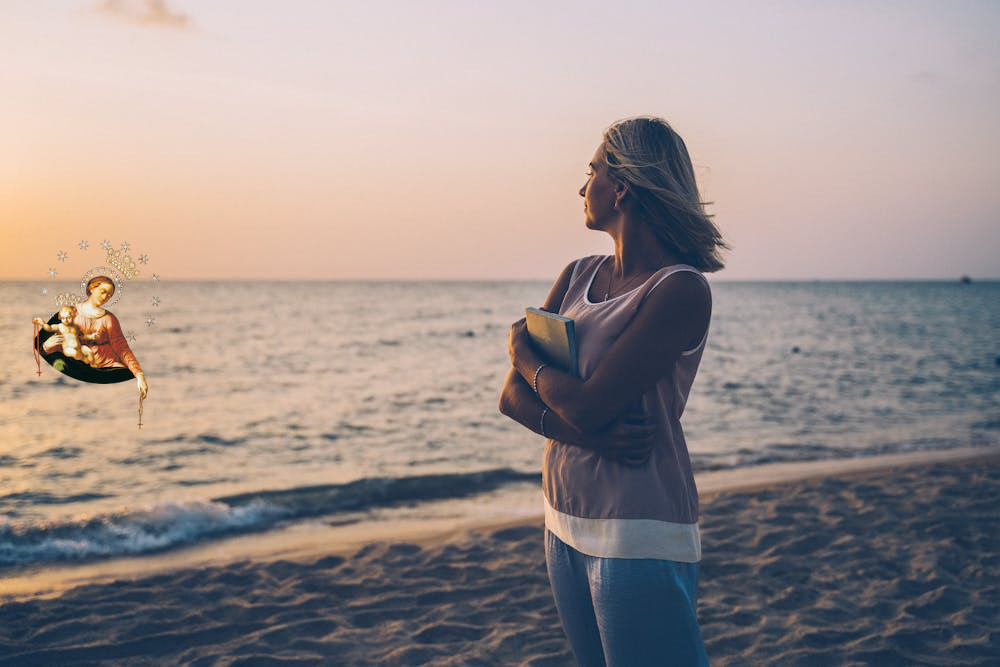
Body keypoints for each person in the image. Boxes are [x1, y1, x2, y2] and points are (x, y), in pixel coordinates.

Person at [499, 116, 726, 666]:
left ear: (621, 186)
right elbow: (511, 399)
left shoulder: (679, 290)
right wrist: (592, 439)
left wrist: (522, 352)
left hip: (636, 528)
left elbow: (586, 401)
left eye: (593, 171)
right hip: (562, 515)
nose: (583, 188)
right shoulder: (576, 275)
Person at [41, 276, 148, 399]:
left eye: (109, 295)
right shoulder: (68, 313)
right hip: (76, 362)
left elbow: (121, 348)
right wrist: (46, 346)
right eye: (103, 292)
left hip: (105, 365)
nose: (104, 297)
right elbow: (54, 343)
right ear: (91, 288)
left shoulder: (109, 319)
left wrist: (139, 375)